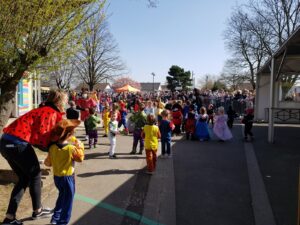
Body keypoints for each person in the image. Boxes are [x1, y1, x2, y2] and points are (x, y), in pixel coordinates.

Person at [0, 89, 68, 225]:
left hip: (5, 142)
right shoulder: (51, 113)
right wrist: (56, 146)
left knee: (24, 178)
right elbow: (42, 139)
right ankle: (38, 210)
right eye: (65, 101)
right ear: (60, 101)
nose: (65, 104)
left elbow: (39, 138)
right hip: (17, 143)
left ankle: (9, 217)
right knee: (35, 174)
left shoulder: (43, 109)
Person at [44, 119, 84, 225]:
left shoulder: (52, 148)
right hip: (68, 178)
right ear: (69, 135)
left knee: (62, 196)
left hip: (57, 178)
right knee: (68, 202)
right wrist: (79, 145)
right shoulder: (71, 148)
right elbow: (80, 159)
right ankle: (62, 222)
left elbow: (47, 163)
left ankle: (55, 218)